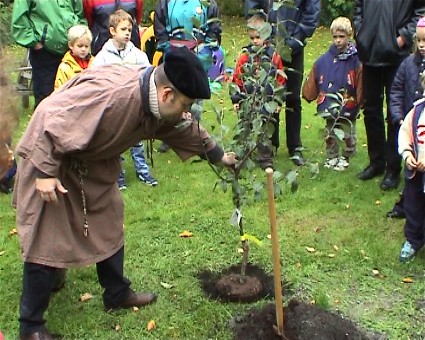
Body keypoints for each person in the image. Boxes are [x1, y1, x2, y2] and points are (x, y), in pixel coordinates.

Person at [13, 45, 237, 339]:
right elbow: (49, 115)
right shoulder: (114, 96)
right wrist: (44, 172)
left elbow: (183, 127)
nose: (186, 112)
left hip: (93, 164)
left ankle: (116, 293)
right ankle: (31, 326)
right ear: (168, 94)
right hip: (53, 161)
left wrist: (218, 155)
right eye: (185, 104)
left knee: (109, 223)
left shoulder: (154, 99)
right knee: (47, 239)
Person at [353, 0, 425, 190]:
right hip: (370, 54)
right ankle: (376, 162)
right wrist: (362, 33)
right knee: (371, 110)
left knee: (395, 113)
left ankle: (393, 168)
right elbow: (358, 8)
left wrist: (402, 38)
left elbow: (420, 11)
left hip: (397, 56)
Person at [244, 0, 320, 166]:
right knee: (269, 95)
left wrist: (294, 41)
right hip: (267, 46)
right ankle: (270, 144)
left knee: (292, 98)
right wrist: (262, 32)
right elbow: (252, 6)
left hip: (294, 47)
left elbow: (311, 13)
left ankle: (295, 147)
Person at [93, 9, 157, 189]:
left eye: (129, 30)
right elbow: (95, 78)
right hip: (114, 106)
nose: (128, 33)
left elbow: (148, 74)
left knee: (137, 141)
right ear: (112, 31)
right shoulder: (103, 56)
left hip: (135, 105)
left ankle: (143, 171)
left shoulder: (137, 55)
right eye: (123, 29)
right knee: (117, 143)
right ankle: (118, 176)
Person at [154, 0, 222, 153]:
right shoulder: (166, 2)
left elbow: (214, 26)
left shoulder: (207, 2)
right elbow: (159, 25)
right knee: (171, 95)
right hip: (174, 53)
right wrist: (166, 45)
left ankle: (195, 137)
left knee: (195, 97)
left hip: (198, 53)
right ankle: (169, 137)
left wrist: (207, 46)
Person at [302, 17, 362, 171]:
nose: (338, 41)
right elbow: (315, 74)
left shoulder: (356, 60)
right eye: (335, 37)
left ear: (349, 36)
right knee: (330, 132)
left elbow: (362, 81)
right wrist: (308, 92)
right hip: (328, 103)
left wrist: (362, 100)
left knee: (348, 131)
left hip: (348, 102)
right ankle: (332, 156)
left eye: (342, 37)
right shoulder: (324, 60)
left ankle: (346, 156)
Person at [231, 14, 286, 169]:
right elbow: (237, 79)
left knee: (265, 128)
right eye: (252, 38)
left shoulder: (273, 56)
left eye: (258, 37)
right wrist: (236, 99)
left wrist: (278, 100)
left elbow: (280, 80)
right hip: (248, 99)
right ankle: (244, 153)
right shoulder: (245, 56)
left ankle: (265, 158)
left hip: (267, 100)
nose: (255, 41)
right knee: (246, 125)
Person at [11, 0, 87, 109]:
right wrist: (35, 43)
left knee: (74, 98)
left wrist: (80, 37)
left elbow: (79, 13)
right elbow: (19, 21)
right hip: (45, 53)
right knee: (46, 102)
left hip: (72, 52)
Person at [387, 17, 425, 219]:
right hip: (410, 128)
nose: (421, 45)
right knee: (410, 169)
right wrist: (399, 118)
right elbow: (396, 92)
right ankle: (405, 206)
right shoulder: (407, 64)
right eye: (418, 41)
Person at [397, 73, 425, 262]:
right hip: (415, 172)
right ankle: (413, 240)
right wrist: (407, 154)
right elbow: (405, 134)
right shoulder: (416, 111)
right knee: (413, 206)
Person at [54, 25, 94, 90]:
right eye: (80, 46)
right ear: (71, 45)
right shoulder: (65, 67)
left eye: (86, 46)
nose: (83, 49)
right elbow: (59, 91)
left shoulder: (95, 63)